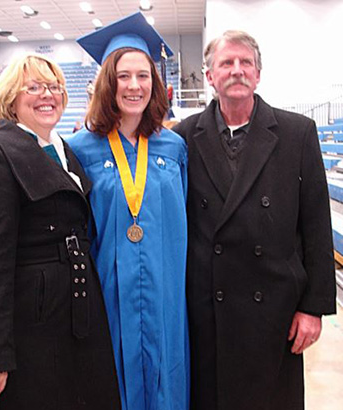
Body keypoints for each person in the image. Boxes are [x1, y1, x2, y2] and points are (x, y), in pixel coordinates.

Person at [172, 30, 336, 410]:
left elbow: (315, 222)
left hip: (275, 312)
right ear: (210, 76)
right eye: (226, 63)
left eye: (246, 63)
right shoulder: (184, 137)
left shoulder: (297, 132)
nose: (237, 71)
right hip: (209, 312)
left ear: (258, 75)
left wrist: (314, 307)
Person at [0, 53, 120, 410]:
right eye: (33, 87)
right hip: (29, 328)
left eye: (54, 87)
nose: (47, 95)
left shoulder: (64, 151)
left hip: (75, 320)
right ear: (10, 98)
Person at [68, 12, 189, 410]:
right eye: (123, 76)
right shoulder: (80, 151)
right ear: (108, 82)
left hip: (166, 296)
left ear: (155, 84)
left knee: (166, 380)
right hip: (107, 297)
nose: (134, 85)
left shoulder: (173, 148)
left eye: (143, 76)